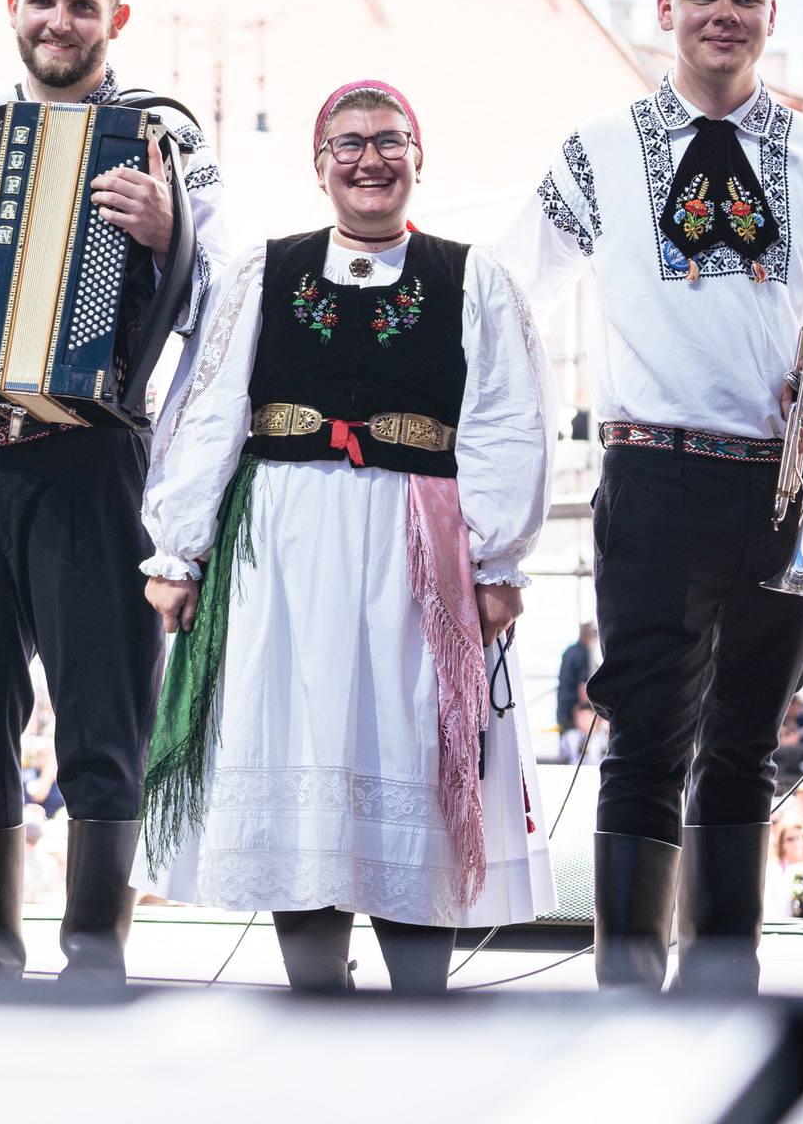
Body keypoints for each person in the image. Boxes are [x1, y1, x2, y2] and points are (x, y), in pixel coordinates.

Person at [496, 0, 803, 994]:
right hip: (657, 472)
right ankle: (627, 992)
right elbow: (504, 299)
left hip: (792, 480)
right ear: (668, 10)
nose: (725, 15)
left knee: (746, 743)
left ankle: (726, 990)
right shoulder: (597, 150)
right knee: (644, 739)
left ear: (770, 14)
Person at [137, 80, 556, 995]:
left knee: (408, 749)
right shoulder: (264, 270)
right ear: (319, 164)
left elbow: (507, 420)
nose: (371, 158)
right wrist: (179, 551)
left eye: (389, 140)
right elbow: (207, 410)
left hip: (419, 547)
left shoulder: (472, 276)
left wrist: (497, 560)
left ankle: (419, 1004)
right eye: (350, 143)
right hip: (285, 548)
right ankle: (316, 1000)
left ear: (418, 154)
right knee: (302, 751)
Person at [0, 0, 234, 985]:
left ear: (114, 19)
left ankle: (95, 953)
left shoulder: (167, 136)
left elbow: (228, 299)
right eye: (42, 0)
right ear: (14, 7)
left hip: (90, 459)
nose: (59, 21)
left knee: (104, 716)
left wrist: (170, 232)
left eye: (82, 5)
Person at [557, 623, 598, 748]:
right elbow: (583, 689)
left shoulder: (569, 651)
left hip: (563, 708)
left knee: (566, 748)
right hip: (575, 712)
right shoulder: (585, 655)